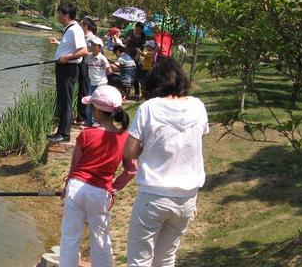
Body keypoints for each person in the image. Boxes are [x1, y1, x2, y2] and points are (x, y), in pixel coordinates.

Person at [123, 57, 209, 267]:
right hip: (187, 198)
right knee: (166, 258)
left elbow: (130, 151)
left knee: (139, 259)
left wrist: (149, 148)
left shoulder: (149, 108)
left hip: (154, 195)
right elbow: (199, 138)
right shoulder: (198, 106)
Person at [59, 85, 138, 267]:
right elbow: (131, 170)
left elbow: (75, 167)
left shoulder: (86, 134)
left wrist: (66, 187)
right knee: (101, 238)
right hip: (101, 193)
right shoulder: (124, 137)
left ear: (96, 111)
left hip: (77, 188)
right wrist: (114, 188)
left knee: (70, 236)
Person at [48, 3, 88, 143]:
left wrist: (66, 58)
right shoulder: (70, 29)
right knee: (62, 101)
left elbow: (83, 51)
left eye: (59, 14)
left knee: (66, 102)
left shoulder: (74, 29)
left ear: (66, 15)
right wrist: (59, 45)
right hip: (64, 68)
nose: (57, 16)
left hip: (68, 69)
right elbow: (70, 47)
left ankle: (64, 134)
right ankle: (60, 131)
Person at [84, 36, 111, 126]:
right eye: (91, 44)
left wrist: (103, 78)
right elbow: (86, 65)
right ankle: (89, 121)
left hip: (100, 84)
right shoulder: (88, 57)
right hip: (92, 83)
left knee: (98, 104)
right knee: (89, 103)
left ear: (99, 48)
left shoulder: (102, 58)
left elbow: (109, 70)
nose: (91, 46)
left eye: (94, 45)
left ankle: (96, 122)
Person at [76, 17, 98, 125]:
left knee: (85, 91)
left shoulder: (92, 39)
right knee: (81, 91)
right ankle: (80, 117)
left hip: (88, 68)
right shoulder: (83, 38)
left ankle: (85, 117)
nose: (79, 27)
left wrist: (83, 53)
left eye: (81, 25)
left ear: (86, 26)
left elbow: (95, 53)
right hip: (82, 66)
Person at [123, 22, 146, 99]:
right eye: (138, 29)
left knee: (134, 74)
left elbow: (141, 48)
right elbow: (123, 42)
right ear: (135, 27)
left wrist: (138, 55)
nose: (139, 30)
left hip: (136, 55)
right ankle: (126, 93)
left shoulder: (143, 36)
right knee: (126, 72)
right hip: (127, 54)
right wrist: (128, 39)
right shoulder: (130, 32)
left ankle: (137, 92)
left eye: (141, 29)